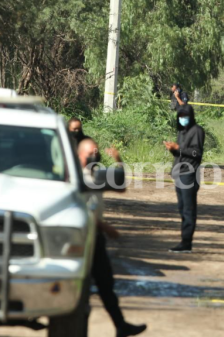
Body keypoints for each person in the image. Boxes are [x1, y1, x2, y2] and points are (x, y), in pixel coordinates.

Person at [78, 138, 147, 337]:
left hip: (96, 239)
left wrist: (118, 161)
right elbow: (81, 211)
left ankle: (120, 325)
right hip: (78, 238)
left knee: (105, 284)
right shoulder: (75, 178)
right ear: (79, 155)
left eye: (97, 151)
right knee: (81, 289)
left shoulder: (96, 175)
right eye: (91, 151)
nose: (95, 154)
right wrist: (105, 227)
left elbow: (121, 187)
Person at [163, 104, 205, 253]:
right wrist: (173, 149)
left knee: (188, 209)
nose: (182, 119)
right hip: (179, 174)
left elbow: (196, 153)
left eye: (185, 116)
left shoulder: (197, 131)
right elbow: (180, 154)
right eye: (180, 117)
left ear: (191, 116)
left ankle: (186, 242)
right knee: (181, 208)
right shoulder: (181, 132)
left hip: (190, 174)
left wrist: (178, 148)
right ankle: (184, 241)